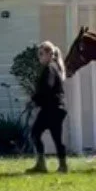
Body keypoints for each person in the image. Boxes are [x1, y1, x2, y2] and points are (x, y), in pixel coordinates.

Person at [30, 41, 68, 172]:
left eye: (41, 54)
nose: (39, 57)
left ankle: (42, 165)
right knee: (57, 139)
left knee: (35, 133)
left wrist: (35, 98)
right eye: (39, 54)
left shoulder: (49, 69)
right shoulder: (54, 68)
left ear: (49, 54)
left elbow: (47, 87)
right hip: (57, 108)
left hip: (51, 108)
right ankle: (63, 166)